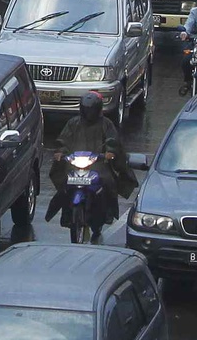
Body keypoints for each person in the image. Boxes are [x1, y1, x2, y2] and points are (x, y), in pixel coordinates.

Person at [46, 91, 135, 233]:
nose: (89, 113)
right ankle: (67, 214)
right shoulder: (73, 123)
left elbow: (112, 140)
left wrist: (109, 153)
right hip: (75, 163)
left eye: (91, 110)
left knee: (108, 182)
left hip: (98, 164)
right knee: (64, 184)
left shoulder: (106, 124)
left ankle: (108, 212)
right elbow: (63, 140)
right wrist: (61, 152)